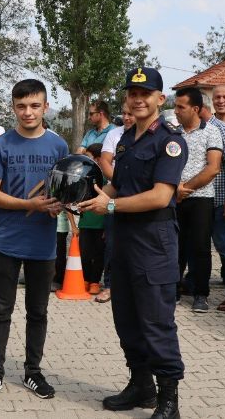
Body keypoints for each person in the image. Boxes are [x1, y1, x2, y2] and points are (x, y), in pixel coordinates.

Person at [79, 67, 187, 418]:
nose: (138, 99)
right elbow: (117, 186)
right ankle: (142, 386)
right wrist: (90, 197)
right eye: (132, 94)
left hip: (154, 242)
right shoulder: (126, 139)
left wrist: (109, 204)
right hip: (124, 240)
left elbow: (159, 196)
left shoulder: (169, 141)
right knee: (126, 319)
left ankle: (168, 399)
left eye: (146, 94)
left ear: (160, 98)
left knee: (156, 321)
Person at [0, 79, 68, 403]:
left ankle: (32, 372)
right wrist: (30, 204)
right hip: (5, 241)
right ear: (13, 108)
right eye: (21, 106)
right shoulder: (2, 145)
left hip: (43, 244)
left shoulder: (59, 147)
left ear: (45, 107)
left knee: (38, 312)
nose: (27, 112)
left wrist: (63, 203)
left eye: (34, 106)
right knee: (1, 311)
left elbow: (65, 191)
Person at [173, 88, 221, 313]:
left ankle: (200, 294)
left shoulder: (211, 132)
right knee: (174, 246)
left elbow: (213, 168)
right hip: (174, 198)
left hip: (200, 199)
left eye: (181, 107)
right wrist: (175, 190)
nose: (176, 111)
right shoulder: (173, 133)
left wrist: (186, 189)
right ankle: (172, 290)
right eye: (175, 106)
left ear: (195, 109)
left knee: (200, 248)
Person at [198, 96, 225, 311]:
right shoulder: (196, 129)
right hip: (200, 201)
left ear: (198, 107)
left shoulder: (221, 129)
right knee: (199, 247)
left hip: (219, 199)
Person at [96, 101, 135, 303]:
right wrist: (121, 184)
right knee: (112, 241)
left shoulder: (152, 136)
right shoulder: (114, 134)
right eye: (124, 113)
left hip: (140, 198)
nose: (127, 117)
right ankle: (110, 285)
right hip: (115, 193)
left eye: (131, 113)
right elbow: (104, 161)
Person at [80, 143, 107, 295]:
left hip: (101, 224)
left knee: (99, 255)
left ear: (97, 159)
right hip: (85, 222)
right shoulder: (84, 175)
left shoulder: (105, 178)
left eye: (89, 157)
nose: (86, 160)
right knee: (85, 253)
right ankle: (84, 279)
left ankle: (95, 282)